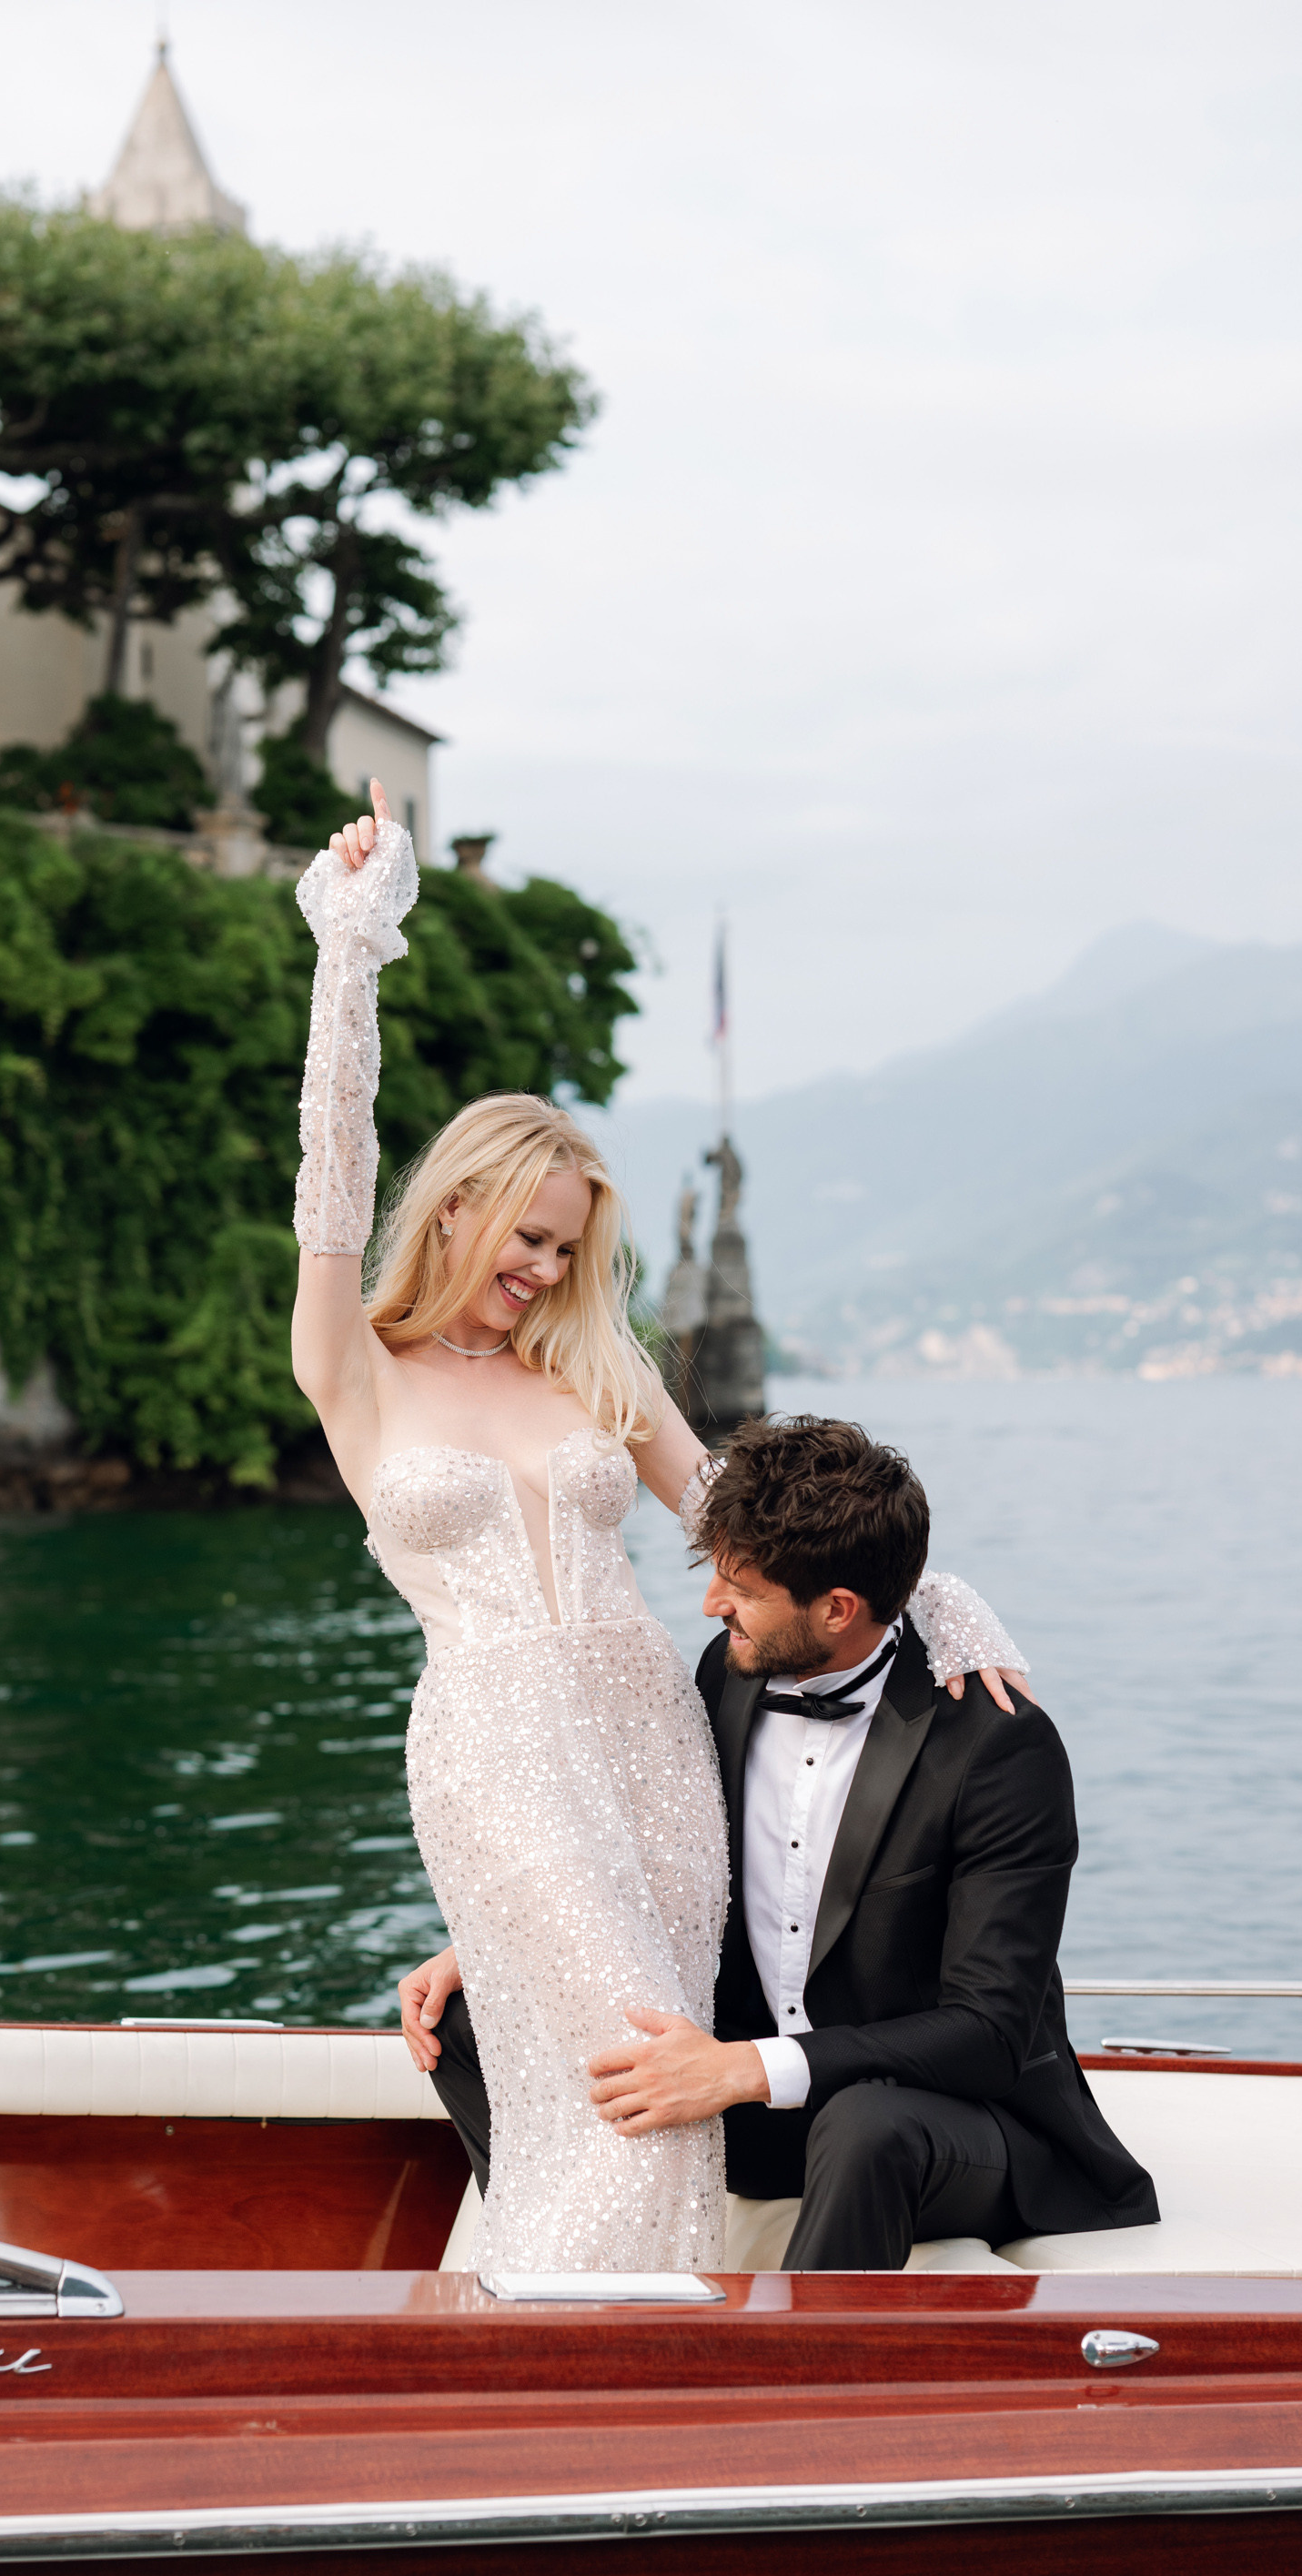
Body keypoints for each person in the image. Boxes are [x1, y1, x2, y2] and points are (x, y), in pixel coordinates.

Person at [294, 781, 1024, 2273]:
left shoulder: (590, 1372)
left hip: (646, 1733)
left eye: (566, 1247)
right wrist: (350, 958)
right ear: (452, 1212)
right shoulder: (353, 1369)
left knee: (651, 2066)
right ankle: (597, 2374)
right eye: (525, 1236)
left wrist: (931, 1598)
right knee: (634, 2079)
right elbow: (333, 1171)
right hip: (495, 1745)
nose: (543, 1266)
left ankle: (586, 2347)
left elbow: (740, 1515)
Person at [406, 1413, 1159, 2271]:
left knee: (866, 2122)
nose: (710, 1603)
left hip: (944, 2121)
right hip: (762, 2119)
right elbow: (659, 1857)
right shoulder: (724, 1679)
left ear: (838, 1608)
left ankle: (778, 2385)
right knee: (471, 2017)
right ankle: (564, 2271)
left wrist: (746, 2070)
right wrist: (501, 1946)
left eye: (742, 1586)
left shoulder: (997, 1748)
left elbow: (987, 2034)